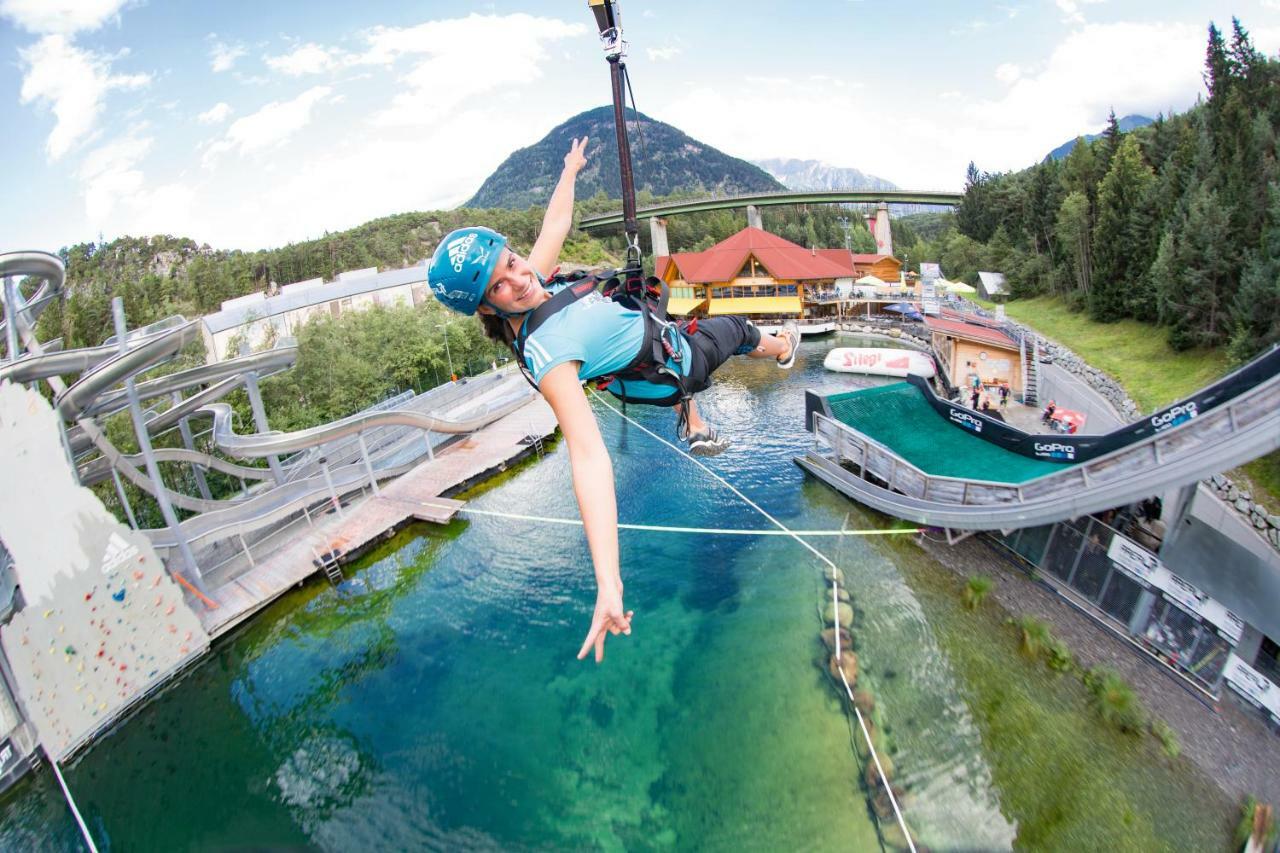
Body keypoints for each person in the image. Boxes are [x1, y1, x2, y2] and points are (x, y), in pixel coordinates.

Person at [426, 138, 798, 664]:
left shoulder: (532, 286)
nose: (520, 278)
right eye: (503, 285)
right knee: (736, 329)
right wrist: (609, 582)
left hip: (648, 348)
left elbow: (552, 228)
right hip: (676, 360)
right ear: (487, 308)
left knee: (668, 316)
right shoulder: (550, 354)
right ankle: (783, 348)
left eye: (512, 262)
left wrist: (569, 171)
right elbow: (587, 457)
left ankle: (691, 417)